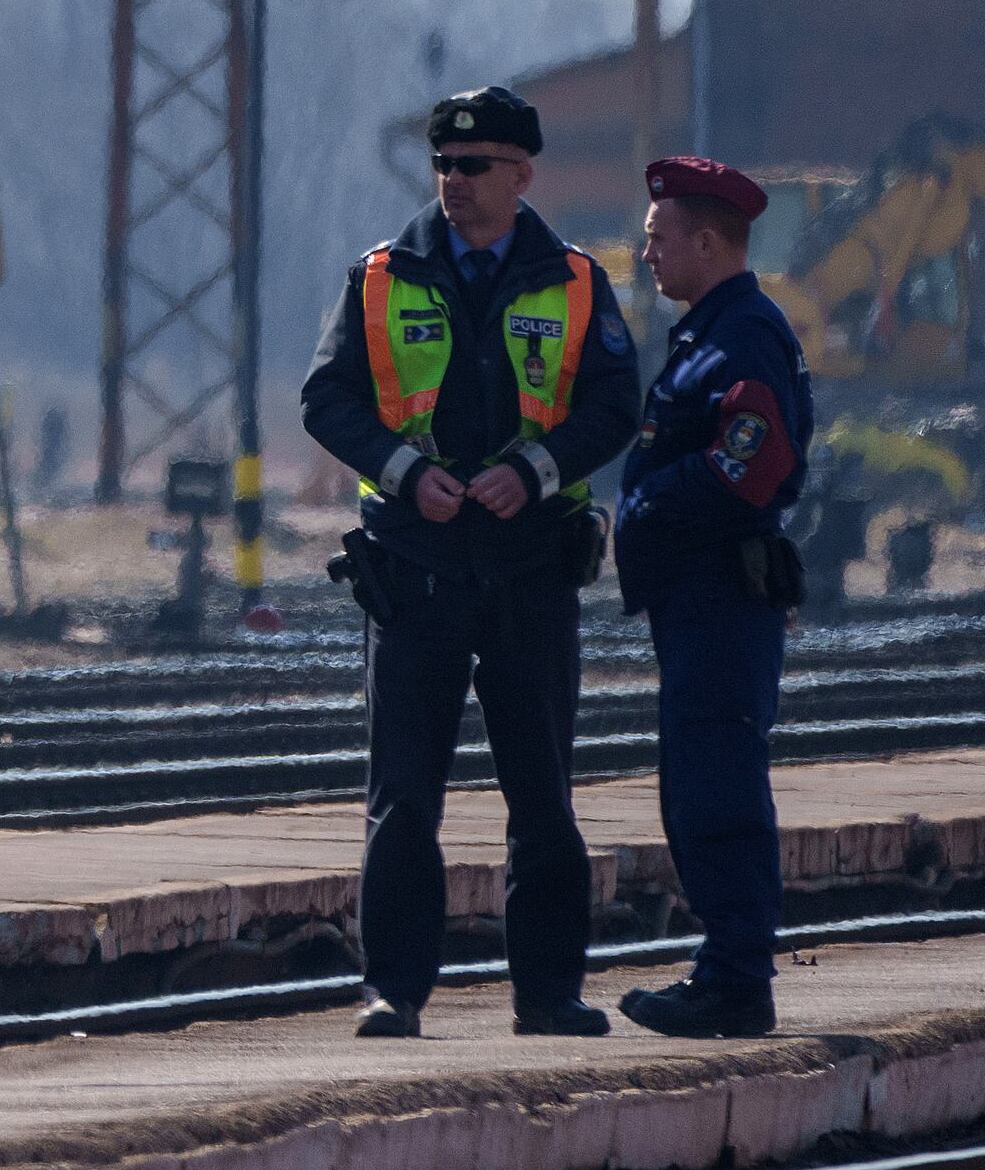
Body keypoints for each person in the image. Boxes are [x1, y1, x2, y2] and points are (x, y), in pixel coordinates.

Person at [296, 82, 645, 1041]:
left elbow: (617, 404)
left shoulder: (577, 282)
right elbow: (327, 399)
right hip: (414, 571)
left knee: (542, 794)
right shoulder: (380, 277)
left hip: (531, 568)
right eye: (444, 164)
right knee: (403, 796)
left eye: (475, 165)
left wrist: (534, 472)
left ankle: (549, 993)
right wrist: (405, 473)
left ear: (522, 175)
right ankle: (392, 990)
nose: (454, 180)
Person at [610, 156, 814, 1041]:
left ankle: (735, 981)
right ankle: (724, 970)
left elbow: (752, 459)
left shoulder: (742, 337)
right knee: (696, 787)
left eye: (658, 238)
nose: (646, 253)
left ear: (706, 241)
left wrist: (652, 501)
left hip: (722, 601)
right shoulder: (710, 332)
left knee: (717, 789)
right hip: (699, 602)